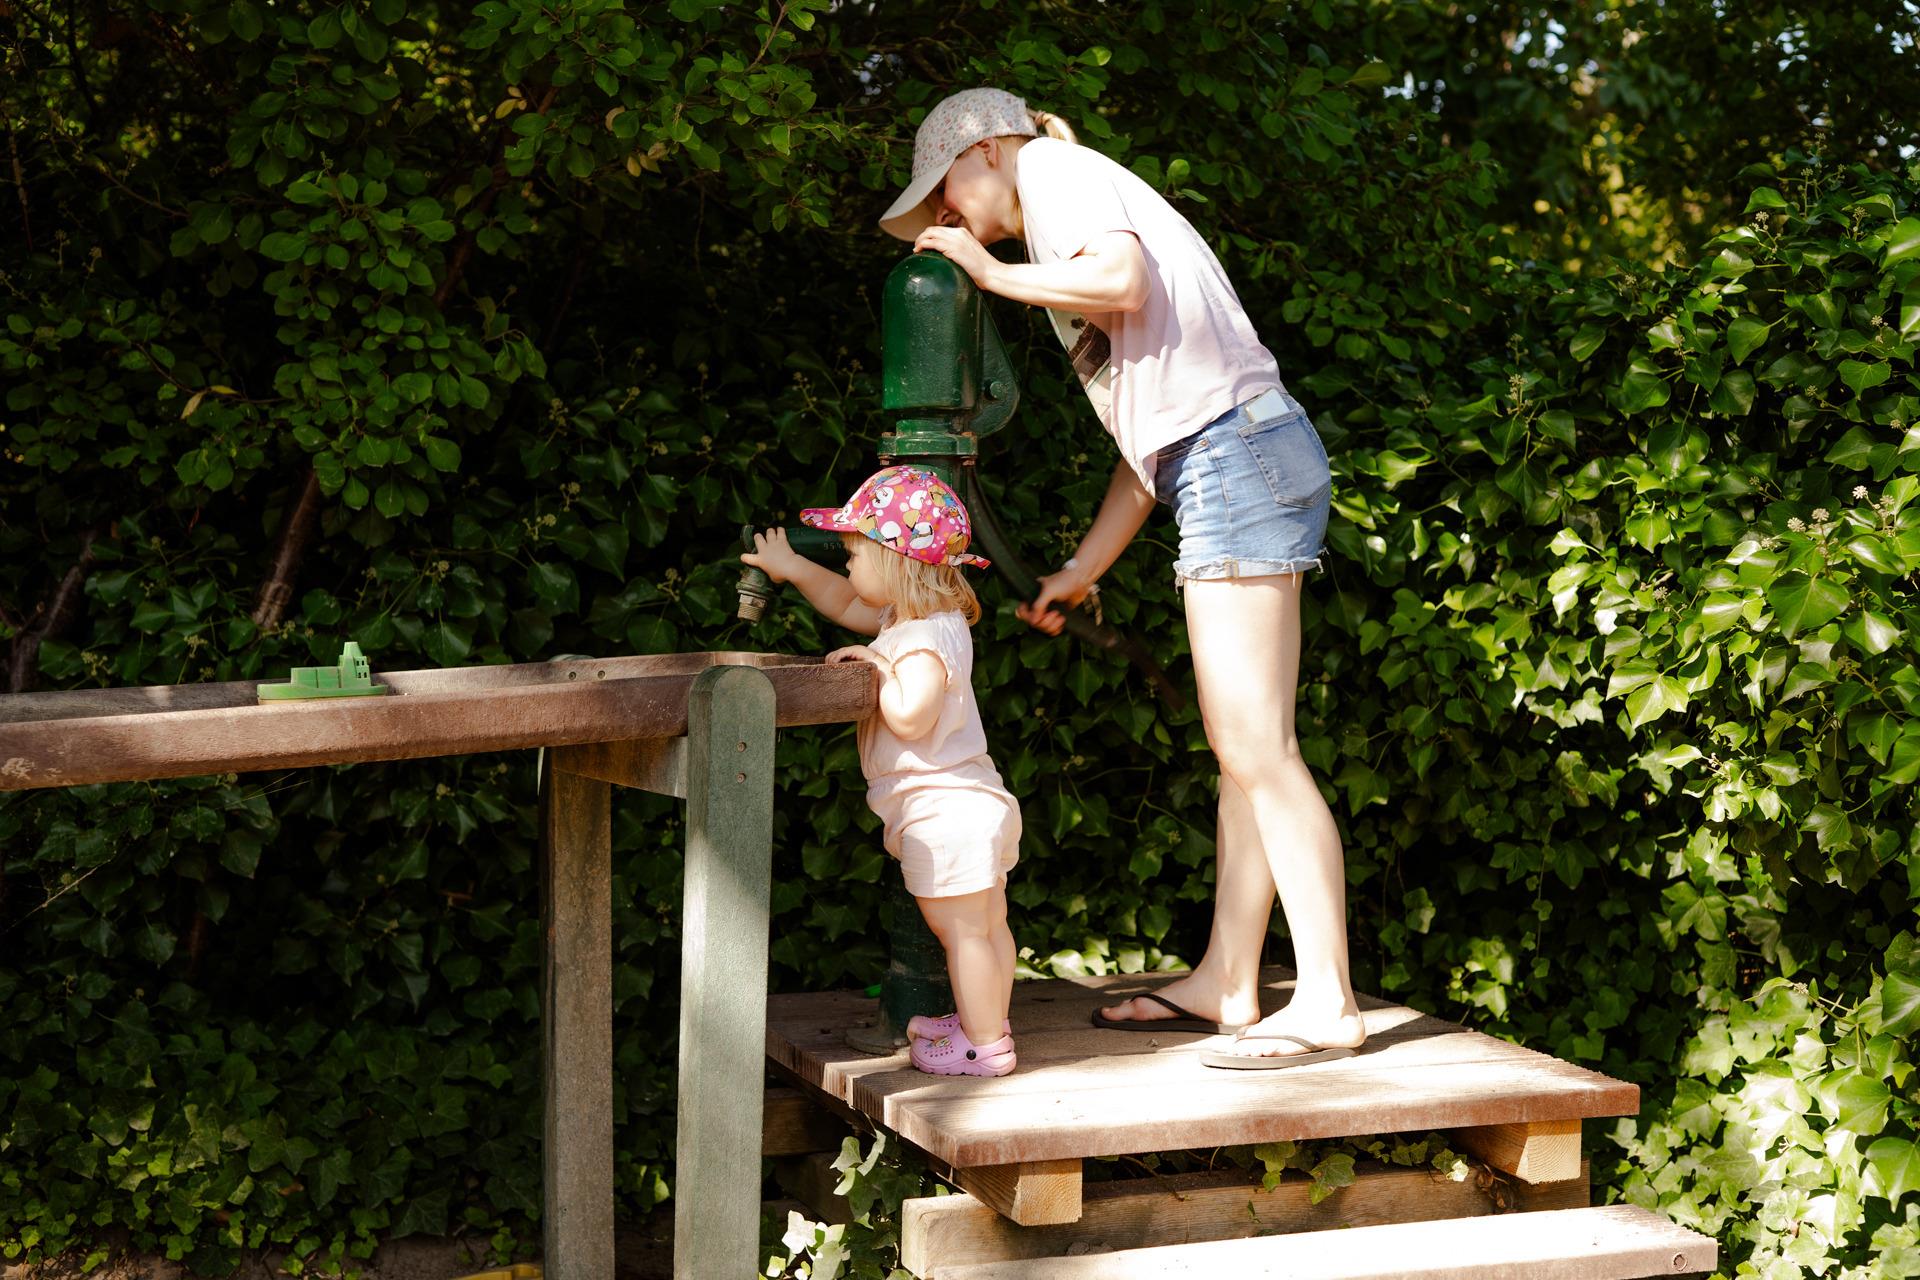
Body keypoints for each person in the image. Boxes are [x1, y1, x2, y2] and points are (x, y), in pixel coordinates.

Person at [876, 87, 1363, 1069]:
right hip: (1228, 454)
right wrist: (1078, 570)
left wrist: (986, 270)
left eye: (944, 191)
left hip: (1237, 454)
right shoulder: (1063, 220)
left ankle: (1327, 1001)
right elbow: (1151, 452)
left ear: (986, 151)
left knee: (1256, 746)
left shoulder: (1051, 169)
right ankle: (1229, 978)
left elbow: (1125, 281)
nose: (948, 215)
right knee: (1247, 752)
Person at [742, 464, 1021, 1076]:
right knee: (986, 927)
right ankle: (986, 1023)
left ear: (894, 562)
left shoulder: (914, 643)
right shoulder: (923, 620)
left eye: (853, 555)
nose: (847, 567)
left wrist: (876, 666)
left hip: (942, 811)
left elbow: (911, 717)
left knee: (964, 934)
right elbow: (846, 602)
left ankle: (982, 1047)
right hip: (970, 800)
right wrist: (791, 567)